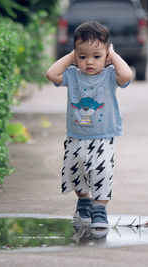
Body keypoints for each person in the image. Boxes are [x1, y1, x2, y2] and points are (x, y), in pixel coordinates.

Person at [46, 21, 132, 238]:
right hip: (75, 137)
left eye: (96, 56)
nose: (89, 62)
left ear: (106, 55)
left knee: (102, 172)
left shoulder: (110, 75)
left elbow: (127, 76)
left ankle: (100, 209)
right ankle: (84, 201)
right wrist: (71, 57)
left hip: (103, 138)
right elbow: (52, 74)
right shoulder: (73, 74)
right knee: (75, 173)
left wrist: (113, 55)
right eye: (83, 57)